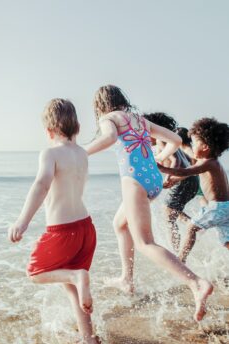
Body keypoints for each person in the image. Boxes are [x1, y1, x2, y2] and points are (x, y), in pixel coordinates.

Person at [86, 85, 213, 322]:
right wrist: (159, 159)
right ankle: (126, 279)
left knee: (145, 242)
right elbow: (175, 139)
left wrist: (81, 152)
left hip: (133, 180)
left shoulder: (109, 118)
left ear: (101, 104)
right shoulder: (140, 120)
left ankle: (196, 283)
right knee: (120, 224)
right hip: (152, 180)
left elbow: (110, 137)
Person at [8, 98, 101, 344]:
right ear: (77, 127)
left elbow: (42, 184)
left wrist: (22, 221)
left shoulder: (49, 153)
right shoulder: (81, 153)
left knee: (35, 273)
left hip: (63, 231)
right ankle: (89, 338)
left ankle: (77, 276)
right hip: (85, 228)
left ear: (49, 130)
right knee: (72, 289)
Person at [158, 117, 229, 262]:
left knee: (191, 227)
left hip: (218, 207)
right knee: (226, 241)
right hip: (223, 207)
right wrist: (173, 180)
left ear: (205, 147)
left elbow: (186, 172)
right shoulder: (211, 163)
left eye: (195, 143)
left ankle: (181, 260)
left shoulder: (209, 163)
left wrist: (162, 168)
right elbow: (190, 171)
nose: (192, 145)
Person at [143, 112, 199, 252]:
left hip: (184, 180)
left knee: (169, 216)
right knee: (171, 210)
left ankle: (175, 251)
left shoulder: (162, 140)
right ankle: (191, 224)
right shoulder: (169, 140)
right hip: (190, 179)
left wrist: (168, 179)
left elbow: (176, 161)